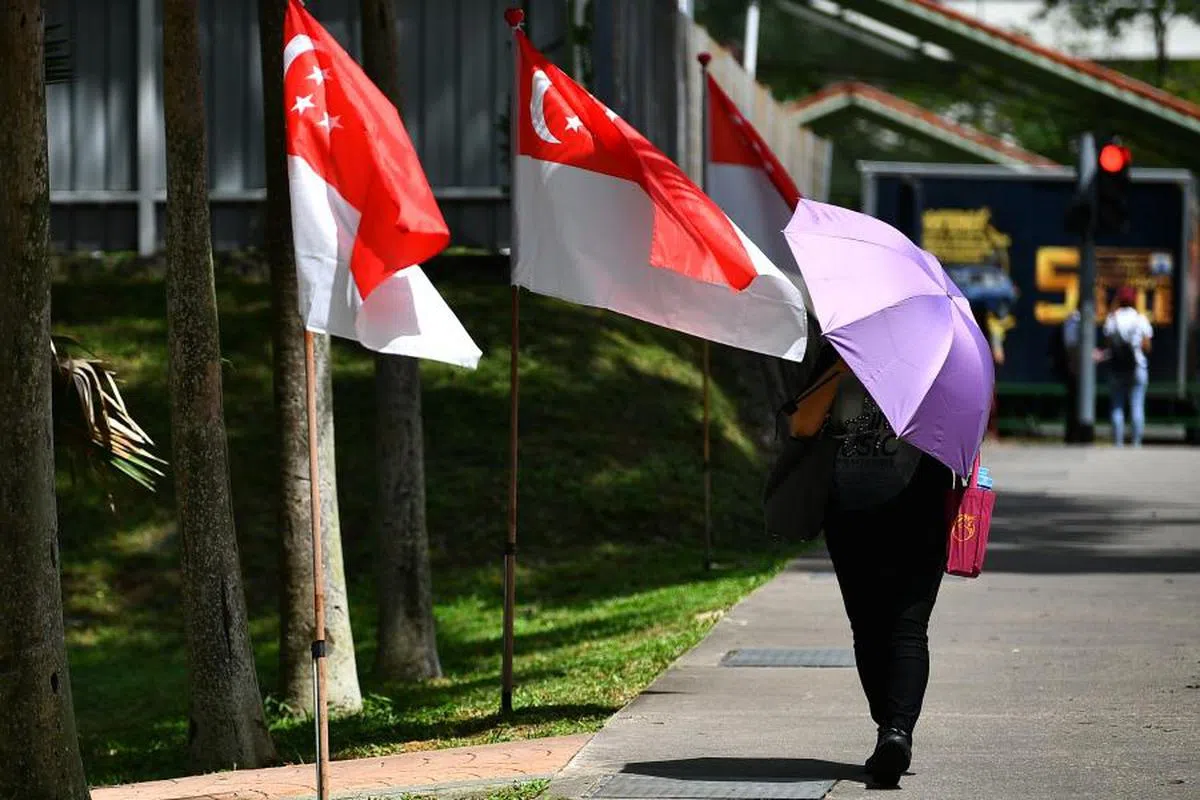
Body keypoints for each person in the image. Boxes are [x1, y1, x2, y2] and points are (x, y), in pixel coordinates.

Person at [789, 351, 953, 787]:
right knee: (868, 625)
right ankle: (891, 732)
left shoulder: (937, 355)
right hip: (850, 511)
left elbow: (962, 434)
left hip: (919, 509)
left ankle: (896, 731)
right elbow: (802, 425)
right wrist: (841, 369)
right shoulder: (836, 351)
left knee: (906, 626)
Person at [1103, 286, 1153, 447]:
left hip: (1117, 367)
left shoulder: (1112, 319)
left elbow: (1108, 344)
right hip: (1137, 366)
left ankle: (1118, 443)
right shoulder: (1140, 319)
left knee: (1117, 404)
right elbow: (1147, 346)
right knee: (1137, 405)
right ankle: (1136, 443)